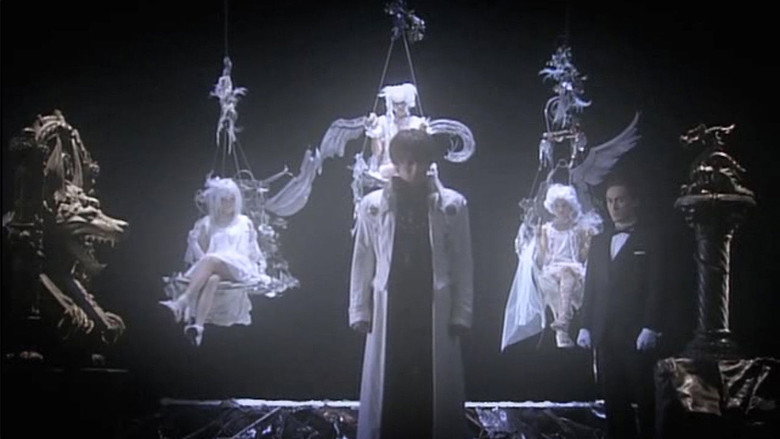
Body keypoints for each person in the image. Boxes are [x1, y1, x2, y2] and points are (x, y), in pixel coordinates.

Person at [349, 129, 472, 439]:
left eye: (420, 162)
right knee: (390, 380)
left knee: (432, 386)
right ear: (396, 162)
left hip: (432, 301)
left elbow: (462, 261)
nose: (414, 169)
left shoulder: (451, 205)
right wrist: (359, 309)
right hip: (391, 300)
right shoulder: (374, 205)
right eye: (407, 162)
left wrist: (462, 312)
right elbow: (363, 258)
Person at [576, 176, 664, 439]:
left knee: (645, 398)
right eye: (609, 201)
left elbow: (658, 286)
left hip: (636, 334)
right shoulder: (599, 241)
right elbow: (591, 286)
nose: (614, 206)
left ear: (634, 201)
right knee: (613, 400)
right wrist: (585, 325)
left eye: (620, 200)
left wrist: (651, 326)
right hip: (605, 334)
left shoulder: (651, 239)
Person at [160, 177, 265, 346]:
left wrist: (260, 268)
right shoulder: (206, 223)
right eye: (224, 199)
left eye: (232, 199)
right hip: (214, 266)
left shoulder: (244, 222)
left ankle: (182, 301)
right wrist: (193, 244)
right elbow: (202, 259)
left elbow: (251, 251)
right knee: (212, 279)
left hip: (239, 267)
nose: (228, 203)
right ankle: (198, 327)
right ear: (216, 201)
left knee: (212, 260)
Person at [534, 184, 600, 348]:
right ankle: (563, 323)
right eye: (557, 206)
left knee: (567, 275)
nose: (561, 209)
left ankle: (563, 329)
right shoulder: (547, 229)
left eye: (564, 205)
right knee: (561, 279)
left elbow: (581, 257)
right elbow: (544, 257)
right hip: (553, 268)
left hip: (573, 268)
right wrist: (537, 239)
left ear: (571, 206)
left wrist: (588, 242)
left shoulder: (578, 229)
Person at [364, 83, 428, 179]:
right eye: (396, 104)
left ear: (408, 103)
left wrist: (423, 135)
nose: (400, 107)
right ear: (391, 105)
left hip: (410, 170)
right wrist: (374, 131)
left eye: (402, 103)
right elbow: (377, 152)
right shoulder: (383, 122)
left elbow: (422, 153)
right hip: (387, 170)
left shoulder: (417, 122)